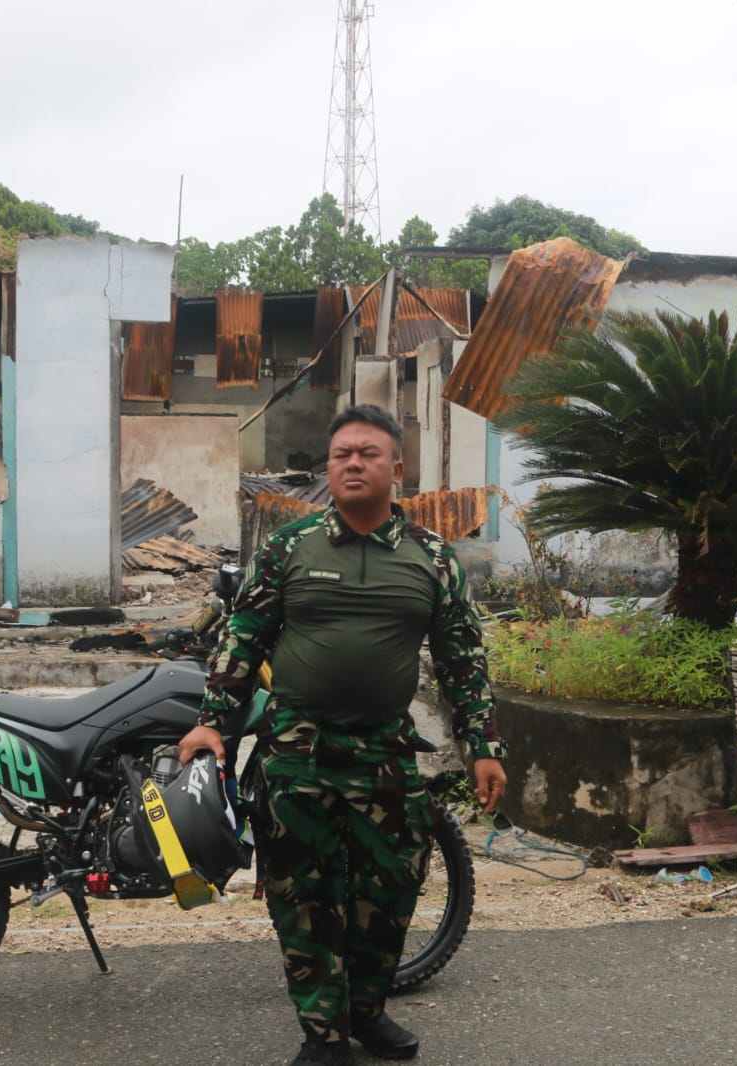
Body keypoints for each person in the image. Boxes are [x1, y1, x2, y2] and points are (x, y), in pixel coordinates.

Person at [178, 404, 508, 1065]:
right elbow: (244, 638)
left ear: (396, 468)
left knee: (387, 892)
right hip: (297, 753)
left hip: (383, 753)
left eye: (366, 453)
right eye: (340, 455)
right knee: (304, 898)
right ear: (328, 470)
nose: (351, 463)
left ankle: (365, 1011)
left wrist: (482, 746)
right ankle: (323, 1035)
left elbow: (461, 660)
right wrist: (213, 723)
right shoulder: (289, 550)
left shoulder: (431, 558)